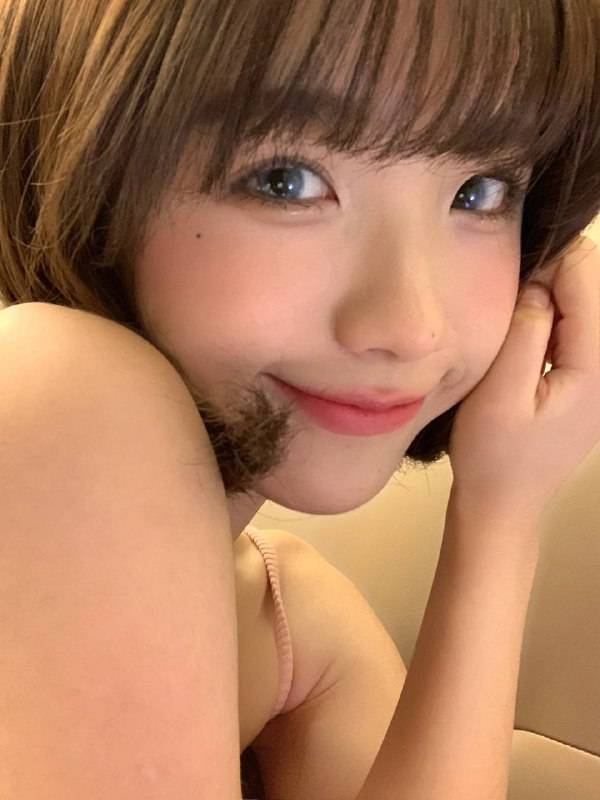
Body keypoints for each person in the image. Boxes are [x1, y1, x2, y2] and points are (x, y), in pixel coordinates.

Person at [0, 0, 599, 797]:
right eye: (286, 179)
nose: (411, 326)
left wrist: (502, 510)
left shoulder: (288, 613)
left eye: (479, 192)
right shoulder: (55, 384)